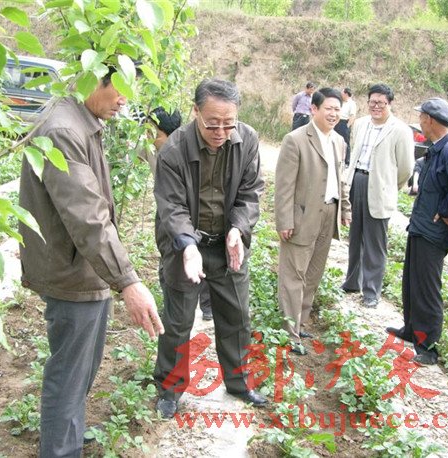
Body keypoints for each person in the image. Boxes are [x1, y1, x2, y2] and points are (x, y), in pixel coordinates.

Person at [19, 69, 164, 458]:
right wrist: (128, 281)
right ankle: (61, 448)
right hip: (72, 271)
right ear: (93, 79)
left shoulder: (80, 120)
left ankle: (69, 432)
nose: (124, 102)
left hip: (84, 267)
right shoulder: (64, 130)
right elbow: (88, 219)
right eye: (120, 90)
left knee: (80, 369)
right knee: (69, 374)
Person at [153, 78, 266, 419]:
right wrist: (188, 245)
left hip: (227, 244)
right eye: (212, 124)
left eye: (228, 124)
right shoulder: (173, 149)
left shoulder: (247, 140)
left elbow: (251, 193)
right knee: (178, 321)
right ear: (195, 112)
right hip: (185, 246)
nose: (221, 132)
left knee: (237, 315)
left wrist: (238, 229)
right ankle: (170, 389)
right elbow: (172, 207)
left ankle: (239, 382)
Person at [387, 97, 448, 366]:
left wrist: (446, 211)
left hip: (434, 231)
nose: (420, 122)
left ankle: (428, 347)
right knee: (412, 280)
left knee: (427, 287)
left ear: (431, 120)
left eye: (422, 117)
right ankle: (412, 329)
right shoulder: (436, 149)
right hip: (420, 226)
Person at [275, 87, 352, 356]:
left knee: (313, 273)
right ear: (314, 109)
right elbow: (284, 186)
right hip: (302, 216)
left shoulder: (339, 141)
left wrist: (345, 209)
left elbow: (341, 179)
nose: (333, 114)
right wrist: (284, 220)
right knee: (293, 275)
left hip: (329, 213)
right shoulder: (295, 140)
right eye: (328, 108)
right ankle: (289, 331)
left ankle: (301, 321)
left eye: (337, 109)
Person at [341, 83, 414, 308]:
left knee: (375, 242)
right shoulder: (360, 124)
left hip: (379, 188)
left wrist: (389, 186)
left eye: (381, 103)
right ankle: (352, 281)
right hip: (357, 181)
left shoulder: (400, 130)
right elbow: (353, 153)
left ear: (389, 104)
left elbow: (406, 168)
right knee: (355, 235)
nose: (376, 106)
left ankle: (371, 291)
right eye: (373, 102)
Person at [149, 107, 213, 321]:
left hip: (186, 215)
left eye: (153, 132)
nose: (149, 137)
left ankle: (203, 306)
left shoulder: (179, 152)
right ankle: (178, 308)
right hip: (171, 213)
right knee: (173, 262)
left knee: (196, 257)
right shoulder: (154, 149)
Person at [334, 87, 357, 165]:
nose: (341, 94)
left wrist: (347, 126)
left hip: (344, 123)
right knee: (334, 139)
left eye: (342, 93)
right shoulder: (340, 101)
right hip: (336, 122)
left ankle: (347, 161)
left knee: (345, 142)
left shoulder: (352, 103)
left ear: (346, 94)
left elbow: (352, 116)